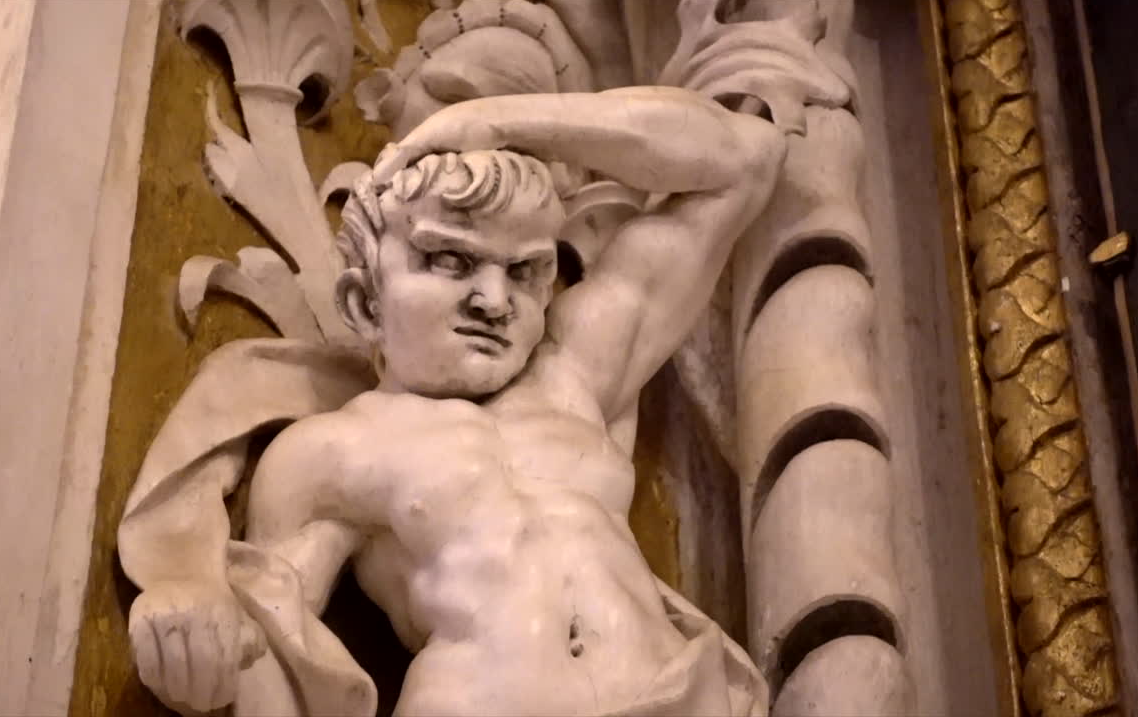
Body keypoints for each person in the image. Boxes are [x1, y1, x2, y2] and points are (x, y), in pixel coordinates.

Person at [125, 86, 785, 717]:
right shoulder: (329, 452)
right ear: (365, 301)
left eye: (524, 271)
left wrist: (498, 123)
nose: (495, 302)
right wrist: (198, 640)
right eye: (451, 262)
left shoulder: (575, 377)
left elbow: (746, 160)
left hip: (679, 694)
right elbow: (270, 648)